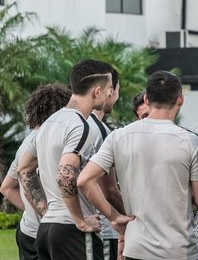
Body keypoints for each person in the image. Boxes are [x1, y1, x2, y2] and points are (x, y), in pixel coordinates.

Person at [78, 70, 198, 260]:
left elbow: (84, 180)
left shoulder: (118, 136)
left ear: (147, 99)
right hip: (180, 249)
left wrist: (114, 217)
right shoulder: (191, 141)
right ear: (180, 99)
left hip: (136, 248)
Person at [17, 59, 114, 260]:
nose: (110, 94)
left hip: (47, 230)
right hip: (73, 231)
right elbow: (66, 173)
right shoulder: (81, 125)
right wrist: (79, 220)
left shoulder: (48, 123)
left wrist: (46, 212)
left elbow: (24, 169)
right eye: (109, 89)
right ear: (97, 92)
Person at [0, 83, 71, 260]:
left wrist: (32, 214)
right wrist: (49, 217)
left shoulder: (28, 141)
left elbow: (7, 188)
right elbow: (27, 185)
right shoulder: (46, 141)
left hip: (27, 231)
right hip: (43, 235)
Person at [87, 67, 126, 260]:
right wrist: (129, 216)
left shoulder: (63, 123)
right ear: (109, 90)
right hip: (101, 226)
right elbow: (109, 190)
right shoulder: (100, 130)